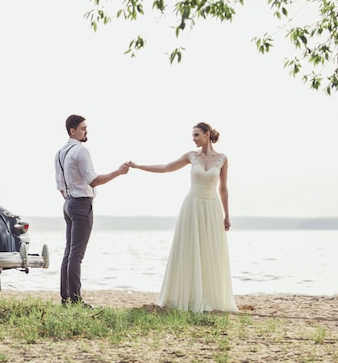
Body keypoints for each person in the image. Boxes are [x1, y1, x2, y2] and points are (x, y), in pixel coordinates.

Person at [128, 122, 238, 312]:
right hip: (192, 206)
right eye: (193, 136)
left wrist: (227, 215)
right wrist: (138, 166)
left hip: (212, 208)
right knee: (189, 248)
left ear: (207, 134)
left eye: (196, 135)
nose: (193, 139)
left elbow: (223, 188)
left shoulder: (222, 159)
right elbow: (165, 168)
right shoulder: (191, 156)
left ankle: (210, 297)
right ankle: (187, 296)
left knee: (210, 250)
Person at [55, 114, 130, 306]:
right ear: (73, 131)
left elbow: (61, 187)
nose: (86, 131)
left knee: (68, 252)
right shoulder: (80, 151)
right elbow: (94, 180)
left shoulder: (60, 153)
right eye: (83, 128)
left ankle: (66, 298)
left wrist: (71, 199)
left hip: (69, 203)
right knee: (76, 255)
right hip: (81, 204)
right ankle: (76, 300)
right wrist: (118, 172)